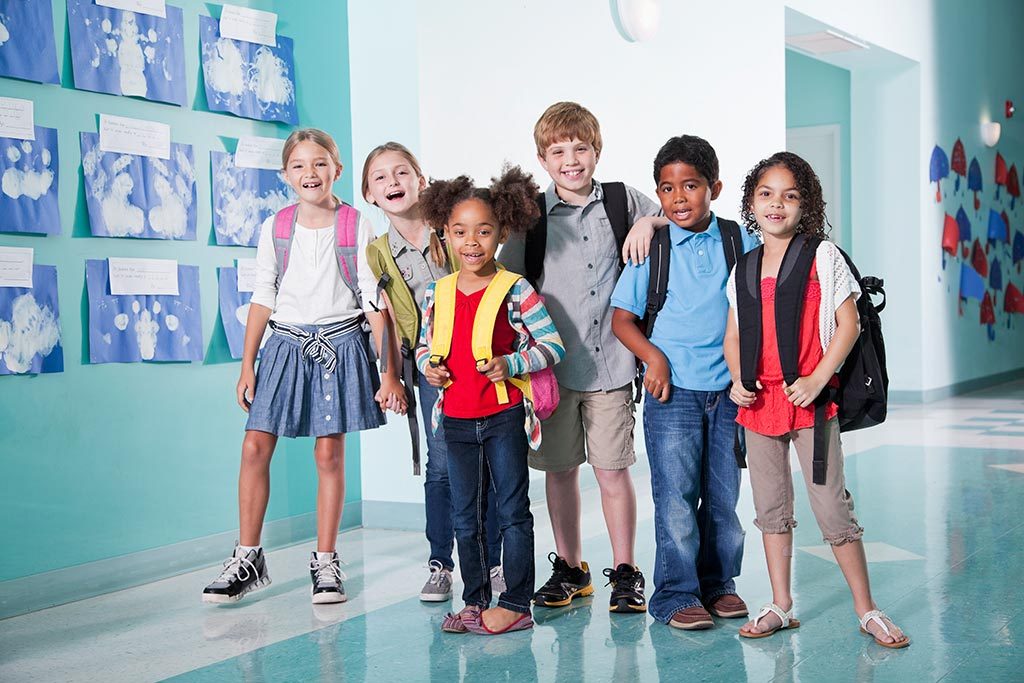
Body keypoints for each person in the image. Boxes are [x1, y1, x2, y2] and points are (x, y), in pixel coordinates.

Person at [202, 128, 404, 605]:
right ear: (285, 174)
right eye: (299, 165)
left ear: (337, 169)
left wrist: (389, 370)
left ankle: (327, 563)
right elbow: (262, 295)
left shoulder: (358, 226)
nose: (309, 173)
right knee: (254, 446)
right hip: (284, 347)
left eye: (319, 164)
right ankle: (247, 556)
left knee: (328, 454)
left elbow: (377, 302)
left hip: (339, 345)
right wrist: (247, 363)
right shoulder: (276, 227)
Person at [724, 151, 909, 649]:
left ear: (806, 204)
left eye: (790, 195)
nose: (776, 204)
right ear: (751, 202)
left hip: (812, 402)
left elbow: (847, 326)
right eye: (766, 194)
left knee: (830, 506)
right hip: (758, 405)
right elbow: (735, 334)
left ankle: (866, 609)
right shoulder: (743, 266)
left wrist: (815, 379)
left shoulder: (823, 256)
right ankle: (781, 605)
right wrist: (737, 379)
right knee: (770, 507)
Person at [499, 102, 662, 613]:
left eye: (581, 148)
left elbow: (674, 219)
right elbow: (504, 283)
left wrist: (649, 224)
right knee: (560, 470)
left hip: (614, 365)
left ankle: (626, 571)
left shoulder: (622, 202)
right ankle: (570, 568)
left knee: (613, 472)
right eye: (558, 151)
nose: (571, 159)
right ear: (543, 160)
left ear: (597, 150)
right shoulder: (531, 218)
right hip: (552, 371)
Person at [611, 134, 758, 629]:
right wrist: (654, 358)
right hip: (670, 393)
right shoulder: (652, 246)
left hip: (731, 391)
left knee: (723, 496)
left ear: (713, 187)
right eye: (667, 189)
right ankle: (675, 594)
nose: (678, 198)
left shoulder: (740, 240)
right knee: (674, 497)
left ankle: (718, 585)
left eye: (690, 186)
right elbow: (622, 319)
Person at [416, 166, 564, 635]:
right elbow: (423, 346)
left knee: (511, 512)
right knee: (465, 517)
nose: (471, 242)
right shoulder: (435, 294)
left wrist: (511, 364)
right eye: (459, 232)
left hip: (502, 418)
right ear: (444, 233)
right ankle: (476, 600)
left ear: (501, 232)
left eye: (483, 231)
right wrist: (427, 366)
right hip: (456, 420)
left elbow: (552, 346)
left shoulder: (515, 289)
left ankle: (517, 601)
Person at [362, 142, 505, 603]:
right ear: (369, 194)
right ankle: (441, 563)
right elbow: (381, 318)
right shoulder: (378, 254)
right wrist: (392, 376)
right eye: (381, 178)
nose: (393, 183)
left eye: (402, 172)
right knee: (442, 468)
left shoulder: (453, 229)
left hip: (484, 364)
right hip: (433, 371)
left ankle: (494, 564)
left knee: (488, 467)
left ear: (421, 180)